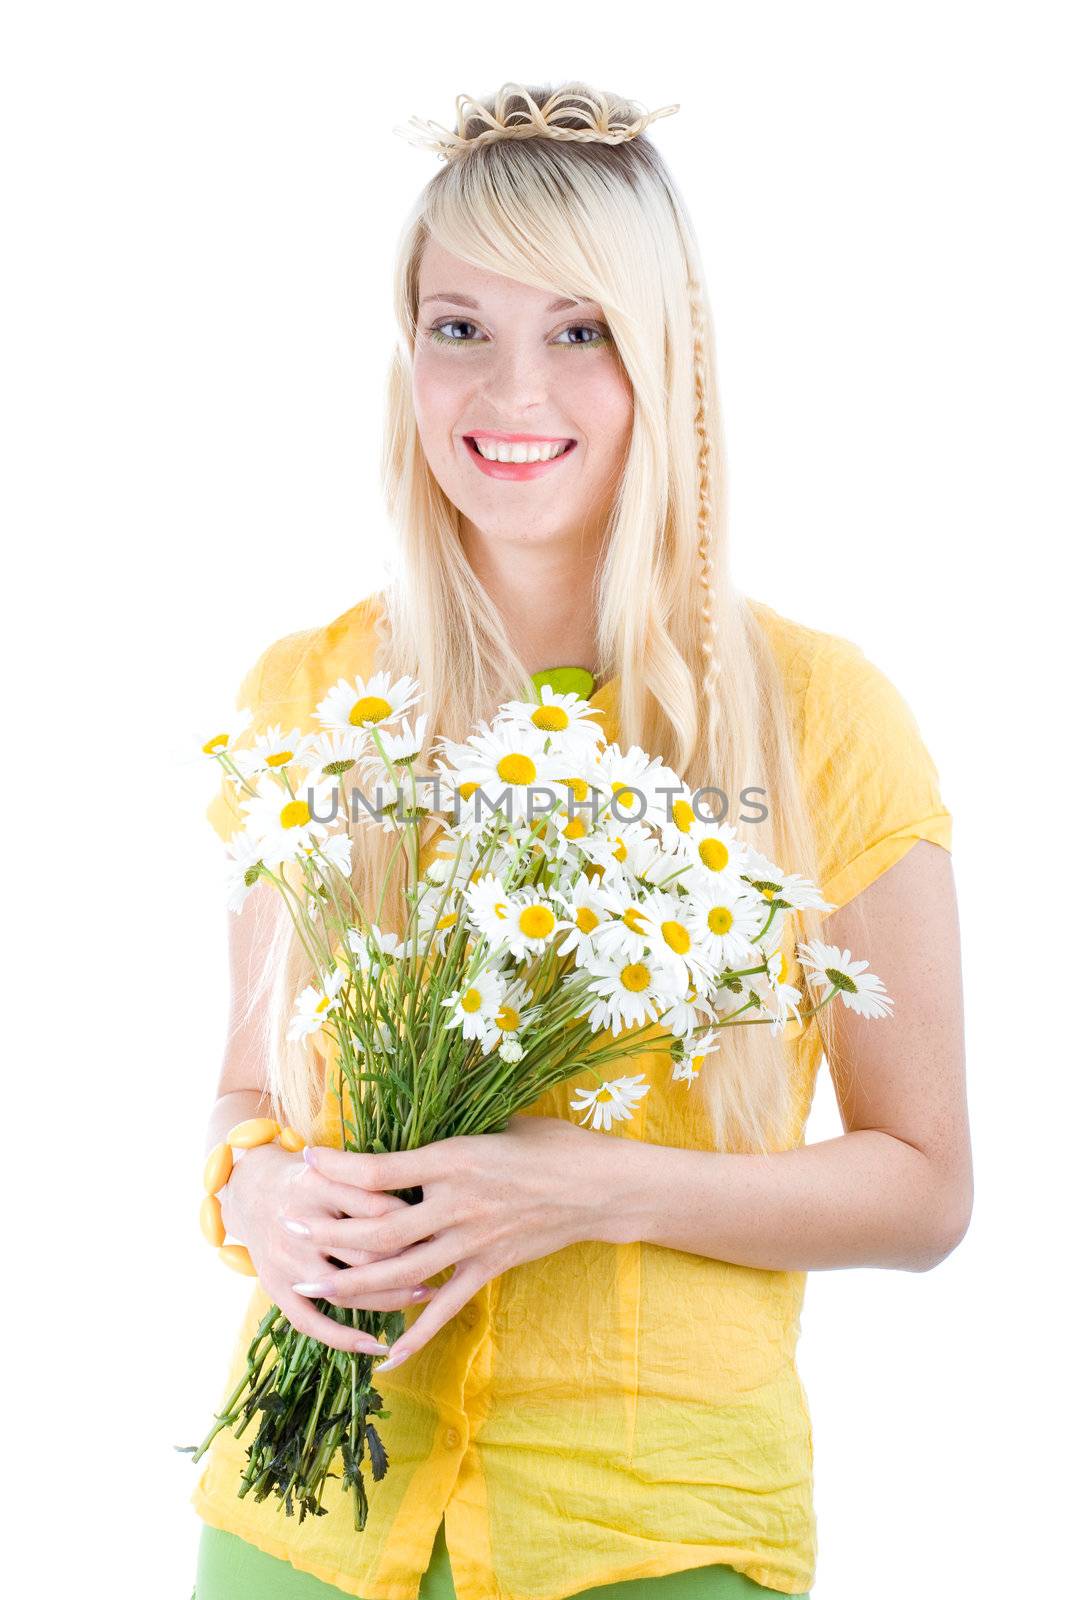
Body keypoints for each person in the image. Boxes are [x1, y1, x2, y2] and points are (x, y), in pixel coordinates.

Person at [191, 81, 972, 1600]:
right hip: (299, 1520)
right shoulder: (309, 698)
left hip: (650, 1529)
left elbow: (928, 1184)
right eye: (458, 327)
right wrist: (255, 1196)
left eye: (580, 330)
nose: (509, 393)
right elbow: (243, 1092)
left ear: (668, 362)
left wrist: (586, 1187)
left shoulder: (818, 715)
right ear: (405, 353)